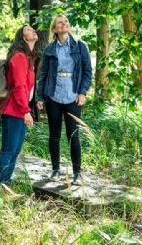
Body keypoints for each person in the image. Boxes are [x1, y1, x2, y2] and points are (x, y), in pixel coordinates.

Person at [36, 14, 92, 184]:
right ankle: (55, 170)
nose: (64, 23)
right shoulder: (50, 49)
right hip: (53, 95)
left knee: (73, 135)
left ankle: (77, 173)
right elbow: (43, 73)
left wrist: (83, 92)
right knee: (54, 135)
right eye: (60, 22)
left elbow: (88, 72)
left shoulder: (80, 46)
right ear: (54, 29)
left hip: (73, 95)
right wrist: (40, 96)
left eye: (66, 21)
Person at [0, 25, 38, 187]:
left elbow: (28, 88)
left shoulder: (28, 58)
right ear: (22, 37)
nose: (32, 30)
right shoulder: (19, 57)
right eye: (27, 29)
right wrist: (26, 111)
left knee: (14, 151)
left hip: (20, 111)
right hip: (14, 110)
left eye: (33, 29)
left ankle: (5, 186)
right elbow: (20, 86)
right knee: (8, 151)